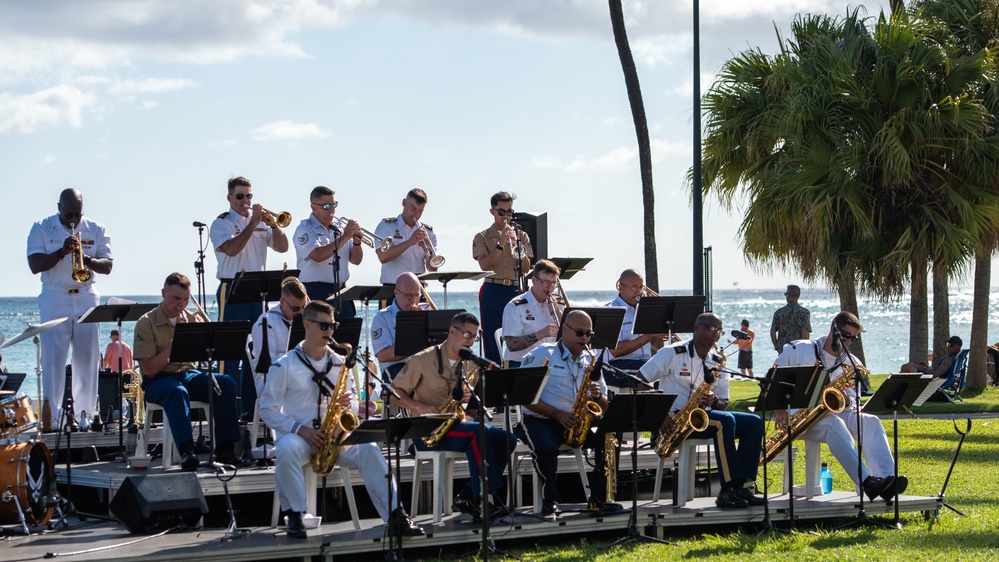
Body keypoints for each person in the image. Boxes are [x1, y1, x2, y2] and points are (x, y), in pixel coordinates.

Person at [259, 300, 422, 539]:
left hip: (336, 436)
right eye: (324, 326)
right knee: (285, 448)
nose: (330, 332)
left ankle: (396, 515)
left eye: (333, 326)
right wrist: (299, 429)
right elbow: (267, 409)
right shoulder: (285, 365)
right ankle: (295, 515)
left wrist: (350, 403)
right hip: (302, 437)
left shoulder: (340, 362)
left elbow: (354, 404)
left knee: (370, 448)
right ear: (307, 324)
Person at [391, 312, 517, 521]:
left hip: (456, 426)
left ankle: (467, 496)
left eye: (475, 337)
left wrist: (470, 403)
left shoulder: (471, 364)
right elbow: (393, 393)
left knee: (507, 439)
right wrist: (419, 406)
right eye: (468, 335)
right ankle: (482, 502)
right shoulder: (422, 359)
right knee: (478, 433)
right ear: (452, 331)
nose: (471, 341)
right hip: (427, 432)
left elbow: (471, 409)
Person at [775, 311, 906, 500]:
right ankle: (868, 482)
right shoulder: (798, 350)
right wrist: (780, 409)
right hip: (799, 417)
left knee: (871, 422)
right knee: (833, 423)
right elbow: (774, 379)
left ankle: (887, 481)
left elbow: (853, 401)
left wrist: (845, 397)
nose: (848, 341)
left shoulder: (851, 363)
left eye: (852, 338)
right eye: (845, 336)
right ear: (833, 328)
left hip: (834, 413)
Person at [639, 313, 766, 508]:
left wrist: (714, 401)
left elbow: (723, 402)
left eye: (719, 331)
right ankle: (728, 490)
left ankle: (745, 487)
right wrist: (660, 414)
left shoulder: (717, 360)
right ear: (696, 327)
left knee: (754, 423)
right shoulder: (672, 353)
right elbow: (639, 381)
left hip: (702, 417)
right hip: (673, 417)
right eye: (710, 328)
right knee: (725, 422)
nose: (714, 334)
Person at [133, 273, 247, 470]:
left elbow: (206, 357)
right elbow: (149, 370)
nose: (182, 304)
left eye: (186, 299)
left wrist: (202, 336)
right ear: (163, 293)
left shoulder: (189, 319)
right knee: (177, 392)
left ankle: (225, 449)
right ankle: (187, 451)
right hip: (158, 380)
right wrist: (177, 342)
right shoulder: (146, 322)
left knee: (225, 383)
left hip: (187, 373)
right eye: (176, 298)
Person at [515, 310, 624, 516]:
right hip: (542, 420)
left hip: (577, 421)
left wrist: (598, 395)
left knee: (611, 431)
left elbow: (604, 406)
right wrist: (556, 413)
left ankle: (600, 497)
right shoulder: (542, 355)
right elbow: (523, 396)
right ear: (565, 329)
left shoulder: (590, 360)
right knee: (545, 448)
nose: (584, 339)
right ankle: (550, 499)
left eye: (588, 335)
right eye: (580, 333)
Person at [27, 188, 113, 429]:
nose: (74, 219)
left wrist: (85, 258)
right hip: (55, 296)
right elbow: (34, 265)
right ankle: (53, 418)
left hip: (86, 295)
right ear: (59, 208)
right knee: (53, 359)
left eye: (78, 214)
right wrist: (61, 252)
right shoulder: (41, 227)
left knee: (87, 357)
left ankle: (84, 415)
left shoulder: (96, 228)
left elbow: (107, 266)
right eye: (69, 215)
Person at [210, 176, 290, 416]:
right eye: (240, 196)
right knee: (230, 351)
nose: (245, 201)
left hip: (259, 291)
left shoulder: (263, 223)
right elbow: (232, 250)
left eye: (249, 196)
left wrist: (273, 225)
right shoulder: (221, 223)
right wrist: (252, 223)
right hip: (232, 289)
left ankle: (248, 409)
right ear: (229, 198)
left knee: (256, 352)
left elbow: (283, 247)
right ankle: (225, 410)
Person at [472, 191, 533, 365]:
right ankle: (494, 377)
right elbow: (484, 265)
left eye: (509, 212)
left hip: (515, 288)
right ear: (492, 212)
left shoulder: (521, 236)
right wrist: (501, 244)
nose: (506, 216)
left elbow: (527, 268)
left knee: (518, 336)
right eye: (501, 212)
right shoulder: (482, 237)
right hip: (492, 289)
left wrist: (517, 246)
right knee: (492, 339)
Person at [293, 186, 364, 318]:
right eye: (326, 207)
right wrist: (346, 236)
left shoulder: (340, 227)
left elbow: (356, 260)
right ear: (313, 207)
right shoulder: (304, 229)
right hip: (316, 291)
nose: (331, 210)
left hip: (342, 290)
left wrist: (357, 242)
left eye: (333, 205)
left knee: (348, 334)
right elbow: (318, 255)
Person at [603, 269, 666, 389]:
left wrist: (659, 331)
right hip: (616, 366)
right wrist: (648, 336)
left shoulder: (645, 310)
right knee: (650, 379)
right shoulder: (611, 310)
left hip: (644, 364)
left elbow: (657, 347)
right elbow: (614, 351)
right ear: (621, 288)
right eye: (634, 288)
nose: (639, 292)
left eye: (641, 287)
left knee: (675, 372)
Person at [247, 277, 310, 395]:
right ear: (282, 302)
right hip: (272, 379)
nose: (300, 313)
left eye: (304, 307)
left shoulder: (306, 319)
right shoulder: (266, 322)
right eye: (295, 308)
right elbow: (268, 363)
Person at [501, 259, 563, 368]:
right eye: (546, 283)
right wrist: (541, 334)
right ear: (534, 280)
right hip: (521, 364)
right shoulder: (516, 306)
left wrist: (557, 312)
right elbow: (511, 345)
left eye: (553, 283)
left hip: (553, 364)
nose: (550, 287)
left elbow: (572, 335)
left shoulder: (559, 305)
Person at [371, 272, 431, 381]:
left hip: (424, 366)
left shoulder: (427, 310)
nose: (413, 300)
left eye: (416, 295)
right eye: (408, 295)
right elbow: (383, 355)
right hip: (396, 369)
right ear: (396, 293)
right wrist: (417, 343)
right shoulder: (382, 317)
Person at [373, 188, 440, 286]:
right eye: (413, 208)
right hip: (392, 288)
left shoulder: (429, 232)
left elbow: (433, 269)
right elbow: (383, 257)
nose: (416, 214)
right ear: (404, 202)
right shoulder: (386, 226)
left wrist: (429, 248)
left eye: (420, 210)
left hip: (418, 289)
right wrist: (410, 242)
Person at [770, 284, 811, 352]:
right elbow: (805, 333)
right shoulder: (804, 312)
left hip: (783, 350)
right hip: (798, 350)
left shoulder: (779, 312)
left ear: (788, 295)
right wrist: (805, 350)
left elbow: (772, 332)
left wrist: (777, 346)